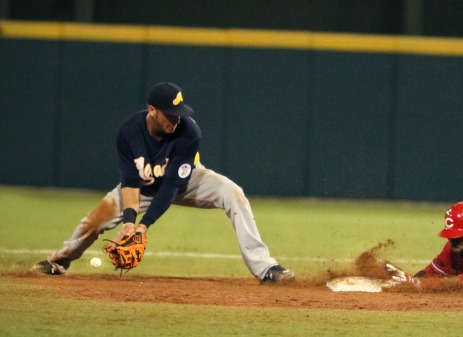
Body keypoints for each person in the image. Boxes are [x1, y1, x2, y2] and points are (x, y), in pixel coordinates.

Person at [34, 82, 294, 283]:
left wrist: (143, 227)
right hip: (143, 187)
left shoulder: (189, 132)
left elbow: (171, 187)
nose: (176, 119)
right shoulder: (128, 131)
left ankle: (266, 268)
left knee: (233, 193)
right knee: (93, 221)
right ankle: (59, 262)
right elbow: (130, 182)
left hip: (188, 180)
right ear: (152, 111)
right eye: (170, 114)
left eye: (179, 113)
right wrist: (128, 223)